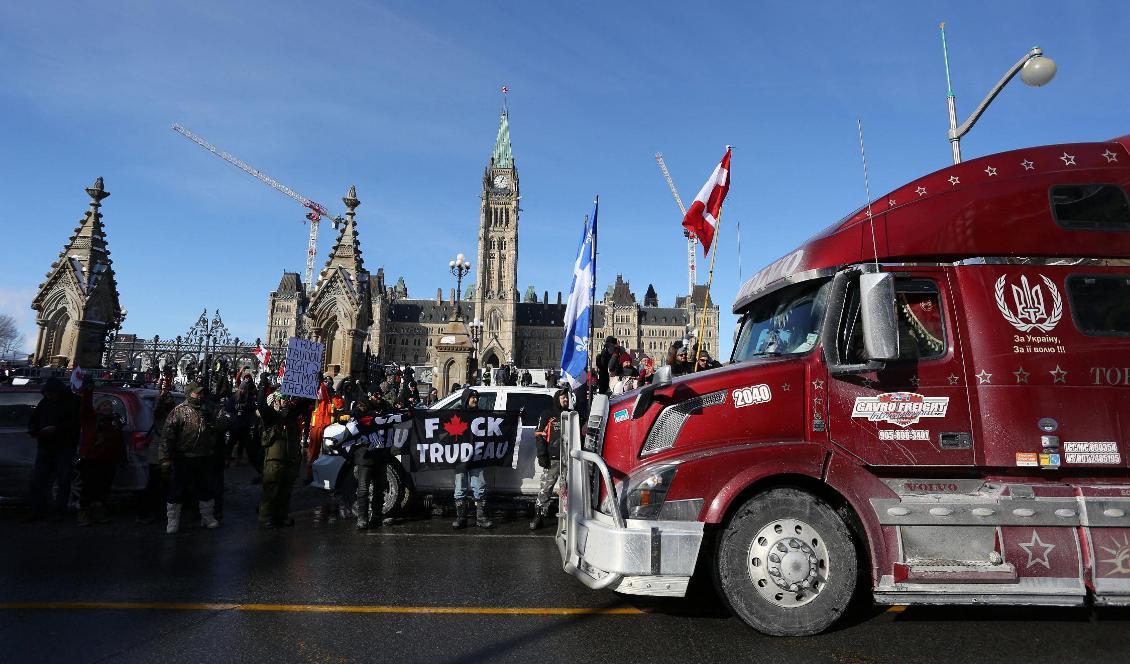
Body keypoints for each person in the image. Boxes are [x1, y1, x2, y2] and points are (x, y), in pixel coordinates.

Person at [161, 382, 230, 534]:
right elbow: (167, 436)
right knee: (177, 490)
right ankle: (173, 521)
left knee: (205, 489)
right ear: (189, 393)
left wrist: (213, 421)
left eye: (201, 393)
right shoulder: (179, 411)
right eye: (197, 393)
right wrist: (165, 458)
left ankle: (207, 517)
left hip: (204, 456)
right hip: (183, 456)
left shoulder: (210, 408)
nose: (200, 395)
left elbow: (224, 422)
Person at [25, 377, 80, 521]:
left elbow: (76, 423)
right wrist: (36, 431)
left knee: (63, 480)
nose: (49, 396)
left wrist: (57, 429)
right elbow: (34, 420)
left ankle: (59, 511)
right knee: (38, 480)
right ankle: (38, 510)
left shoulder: (73, 402)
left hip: (64, 447)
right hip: (45, 446)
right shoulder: (45, 403)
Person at [350, 392, 406, 530]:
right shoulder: (363, 406)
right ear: (370, 396)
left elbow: (397, 414)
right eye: (375, 395)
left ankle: (376, 516)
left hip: (381, 455)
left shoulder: (385, 406)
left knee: (379, 488)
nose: (378, 398)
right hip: (365, 455)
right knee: (363, 489)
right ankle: (362, 519)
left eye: (380, 395)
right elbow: (354, 414)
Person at [256, 389, 306, 529]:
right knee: (271, 490)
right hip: (274, 460)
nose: (284, 403)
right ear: (275, 402)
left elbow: (303, 403)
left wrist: (309, 384)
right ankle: (265, 517)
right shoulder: (270, 416)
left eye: (285, 400)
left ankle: (281, 516)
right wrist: (262, 386)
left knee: (286, 490)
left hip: (290, 458)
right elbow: (261, 404)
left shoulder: (290, 415)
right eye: (281, 400)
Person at [76, 385, 125, 526]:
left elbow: (119, 440)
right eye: (104, 406)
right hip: (92, 459)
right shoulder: (91, 420)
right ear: (98, 408)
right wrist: (88, 390)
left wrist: (120, 456)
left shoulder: (114, 422)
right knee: (88, 488)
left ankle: (99, 512)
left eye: (109, 406)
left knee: (103, 488)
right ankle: (84, 512)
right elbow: (85, 407)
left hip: (108, 459)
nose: (107, 408)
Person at [451, 388, 492, 529]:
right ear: (466, 398)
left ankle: (480, 518)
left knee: (479, 486)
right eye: (472, 397)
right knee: (460, 488)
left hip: (477, 457)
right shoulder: (457, 414)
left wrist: (516, 416)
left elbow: (499, 420)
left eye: (476, 397)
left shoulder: (482, 414)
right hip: (460, 458)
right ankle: (461, 518)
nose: (475, 400)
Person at [530, 388, 569, 530]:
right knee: (545, 490)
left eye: (566, 397)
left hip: (569, 460)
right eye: (563, 397)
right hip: (552, 460)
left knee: (567, 491)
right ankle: (538, 517)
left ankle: (567, 520)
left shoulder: (572, 415)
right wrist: (542, 455)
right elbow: (539, 435)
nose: (565, 399)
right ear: (557, 398)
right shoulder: (547, 414)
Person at [138, 383, 176, 524]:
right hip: (157, 454)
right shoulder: (160, 415)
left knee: (164, 485)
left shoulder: (174, 414)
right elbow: (158, 409)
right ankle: (146, 513)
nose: (170, 402)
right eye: (168, 400)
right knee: (154, 484)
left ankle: (158, 512)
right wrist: (163, 395)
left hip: (167, 453)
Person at [306, 375, 332, 484]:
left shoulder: (332, 393)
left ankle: (323, 477)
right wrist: (319, 381)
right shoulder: (321, 389)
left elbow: (339, 405)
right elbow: (317, 391)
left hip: (328, 426)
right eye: (326, 381)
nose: (328, 384)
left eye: (330, 382)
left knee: (327, 454)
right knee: (313, 453)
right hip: (317, 425)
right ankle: (310, 476)